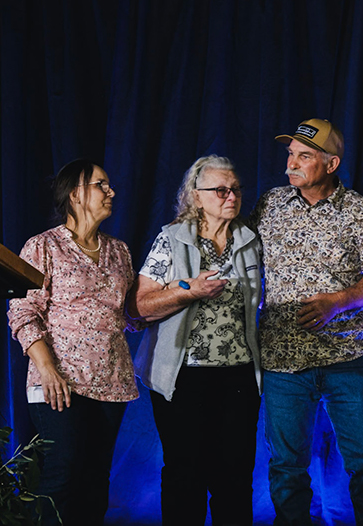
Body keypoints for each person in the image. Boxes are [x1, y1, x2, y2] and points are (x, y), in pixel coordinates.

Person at [251, 118, 363, 525]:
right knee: (286, 467)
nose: (290, 165)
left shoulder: (360, 212)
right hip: (284, 360)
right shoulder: (270, 205)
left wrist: (339, 302)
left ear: (330, 164)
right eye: (289, 154)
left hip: (347, 357)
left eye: (303, 156)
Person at [128, 155, 263, 525]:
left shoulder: (250, 241)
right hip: (183, 377)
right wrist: (190, 292)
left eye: (235, 188)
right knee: (185, 474)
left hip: (238, 376)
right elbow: (140, 307)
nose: (230, 196)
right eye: (220, 189)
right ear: (196, 196)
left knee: (234, 477)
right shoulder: (170, 240)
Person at [7, 159, 139, 525]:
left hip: (111, 383)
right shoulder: (43, 247)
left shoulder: (120, 252)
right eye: (101, 185)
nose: (111, 191)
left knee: (96, 482)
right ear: (75, 193)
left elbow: (126, 314)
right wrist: (48, 371)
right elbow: (22, 313)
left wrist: (178, 294)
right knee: (62, 475)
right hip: (59, 383)